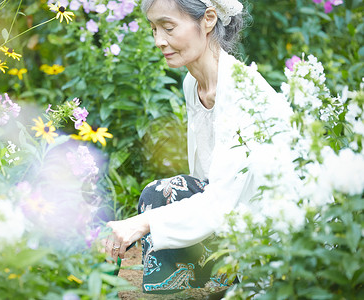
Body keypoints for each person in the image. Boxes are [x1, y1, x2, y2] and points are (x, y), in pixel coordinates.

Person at [104, 0, 287, 294]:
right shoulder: (194, 83)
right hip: (233, 224)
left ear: (209, 20)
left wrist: (141, 223)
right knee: (163, 196)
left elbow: (220, 201)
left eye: (168, 27)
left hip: (274, 242)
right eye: (153, 29)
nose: (158, 40)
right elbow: (205, 183)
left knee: (162, 196)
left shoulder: (243, 92)